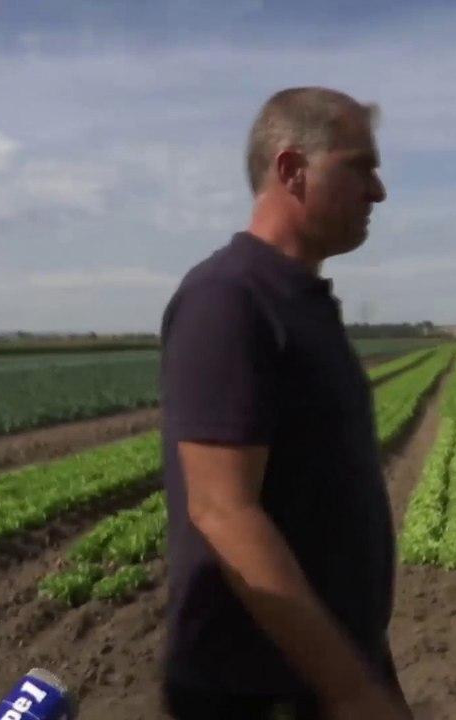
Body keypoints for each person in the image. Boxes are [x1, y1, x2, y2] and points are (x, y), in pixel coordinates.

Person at [158, 87, 413, 720]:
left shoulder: (298, 299)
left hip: (321, 675)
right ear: (291, 170)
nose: (378, 190)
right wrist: (350, 689)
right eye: (360, 165)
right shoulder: (229, 297)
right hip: (256, 691)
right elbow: (224, 510)